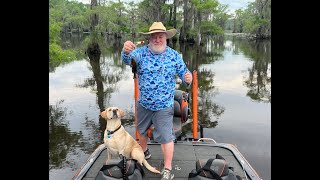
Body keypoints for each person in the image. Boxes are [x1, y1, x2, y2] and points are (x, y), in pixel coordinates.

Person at [121, 22, 193, 180]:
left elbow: (185, 74)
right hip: (144, 103)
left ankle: (167, 167)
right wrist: (126, 51)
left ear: (166, 38)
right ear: (149, 39)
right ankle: (144, 151)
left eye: (160, 36)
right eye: (154, 37)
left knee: (166, 137)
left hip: (164, 106)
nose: (157, 39)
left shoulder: (174, 55)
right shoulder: (140, 53)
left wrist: (188, 78)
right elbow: (127, 60)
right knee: (141, 131)